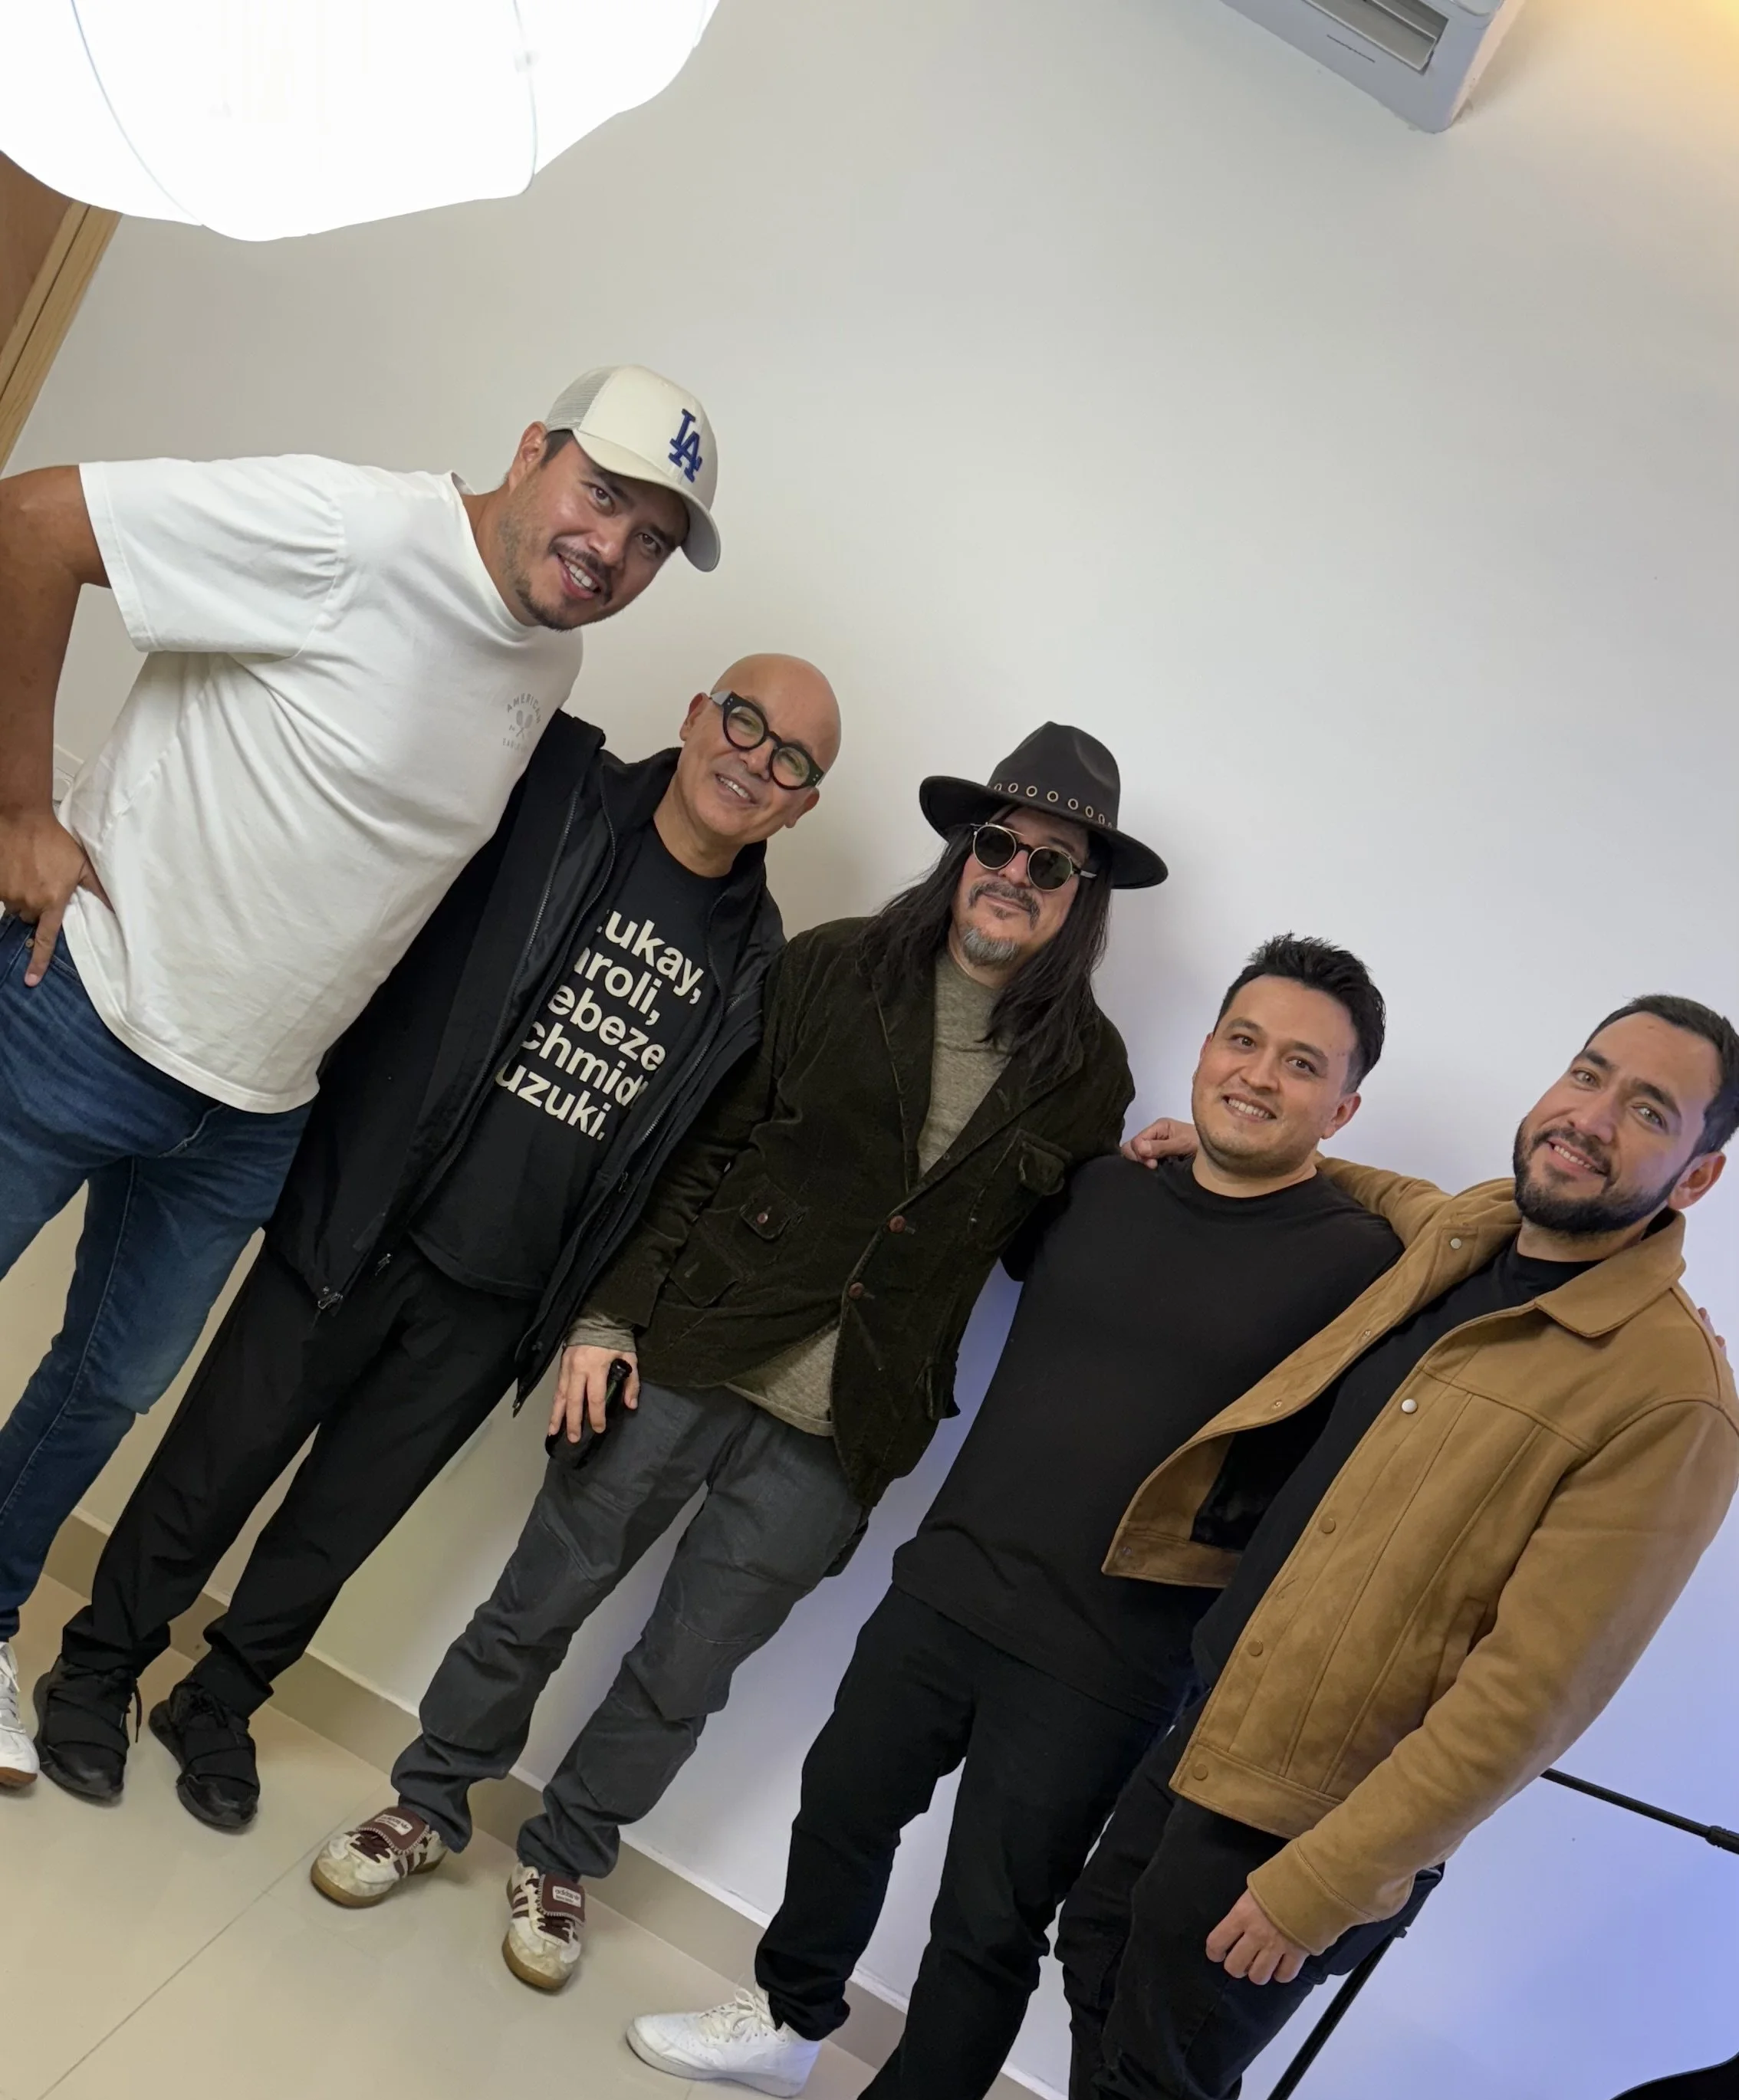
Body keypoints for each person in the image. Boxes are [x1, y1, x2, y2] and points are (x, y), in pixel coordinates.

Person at [754, 992, 1739, 2100]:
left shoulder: (1669, 1398)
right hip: (1218, 1716)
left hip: (1319, 1811)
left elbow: (1532, 1697)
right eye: (1589, 1076)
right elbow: (1370, 1182)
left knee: (1157, 2096)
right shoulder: (1474, 1232)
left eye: (1651, 1112)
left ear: (1701, 1175)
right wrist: (1230, 1139)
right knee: (1099, 1953)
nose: (1593, 1118)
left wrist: (1330, 1881)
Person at [630, 935, 1406, 2100]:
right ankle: (792, 2014)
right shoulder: (1109, 1186)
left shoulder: (1360, 1265)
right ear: (1207, 1047)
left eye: (1305, 1065)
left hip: (1111, 1657)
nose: (1260, 1075)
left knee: (984, 1927)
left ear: (1344, 1113)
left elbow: (1455, 1252)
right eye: (1245, 1040)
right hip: (952, 1581)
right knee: (843, 1802)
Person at [308, 724, 1164, 1994]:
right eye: (998, 845)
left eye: (1053, 865)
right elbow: (697, 1155)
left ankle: (567, 1858)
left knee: (683, 1672)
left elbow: (1036, 1253)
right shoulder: (832, 970)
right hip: (693, 1350)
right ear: (961, 851)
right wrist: (608, 1319)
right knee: (538, 1601)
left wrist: (1147, 1192)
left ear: (1080, 899)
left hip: (847, 1426)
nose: (1016, 877)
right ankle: (430, 1802)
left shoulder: (1086, 1073)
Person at [0, 363, 719, 1795]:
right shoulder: (345, 530)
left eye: (651, 540)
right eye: (602, 497)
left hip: (251, 1111)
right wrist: (18, 808)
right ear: (530, 450)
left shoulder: (546, 660)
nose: (613, 550)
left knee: (105, 1385)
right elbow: (29, 526)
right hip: (85, 1008)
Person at [35, 657, 837, 1828]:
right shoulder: (555, 793)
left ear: (803, 804)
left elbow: (682, 1156)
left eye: (792, 762)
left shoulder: (754, 956)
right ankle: (99, 1664)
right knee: (214, 1463)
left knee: (334, 1530)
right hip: (364, 1214)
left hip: (502, 1302)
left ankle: (220, 1701)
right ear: (697, 713)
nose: (755, 762)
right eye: (746, 722)